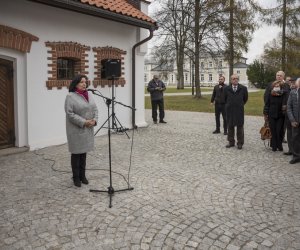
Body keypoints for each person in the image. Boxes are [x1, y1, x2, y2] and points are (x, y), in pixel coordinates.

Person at [65, 74, 98, 187]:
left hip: (88, 129)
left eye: (85, 82)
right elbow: (70, 114)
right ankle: (76, 177)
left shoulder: (89, 94)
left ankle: (83, 175)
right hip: (76, 129)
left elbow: (95, 109)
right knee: (76, 154)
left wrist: (94, 120)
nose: (84, 84)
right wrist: (84, 122)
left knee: (83, 153)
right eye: (82, 82)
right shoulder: (70, 96)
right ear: (76, 84)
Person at [224, 74, 248, 149]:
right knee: (230, 126)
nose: (235, 80)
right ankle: (231, 142)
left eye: (237, 78)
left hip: (239, 110)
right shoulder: (226, 88)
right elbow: (225, 99)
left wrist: (239, 104)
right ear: (231, 80)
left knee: (240, 126)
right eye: (233, 79)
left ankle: (240, 142)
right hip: (229, 110)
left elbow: (245, 99)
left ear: (238, 79)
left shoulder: (243, 88)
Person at [263, 80, 288, 152]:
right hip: (271, 115)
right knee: (273, 131)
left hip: (280, 115)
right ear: (273, 87)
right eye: (275, 86)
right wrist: (265, 113)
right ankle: (274, 146)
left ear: (280, 87)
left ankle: (279, 145)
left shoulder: (283, 94)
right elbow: (267, 104)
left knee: (279, 130)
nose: (276, 87)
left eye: (278, 86)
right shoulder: (270, 94)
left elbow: (285, 103)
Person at [287, 78, 300, 164]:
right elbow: (289, 107)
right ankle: (296, 156)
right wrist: (292, 120)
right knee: (295, 139)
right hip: (295, 121)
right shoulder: (292, 92)